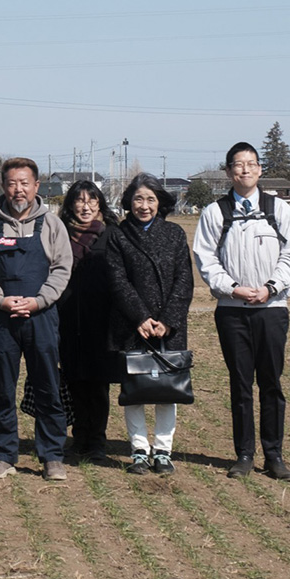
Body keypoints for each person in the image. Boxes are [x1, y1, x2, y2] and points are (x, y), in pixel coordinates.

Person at [193, 142, 290, 481]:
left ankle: (274, 456)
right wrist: (232, 288)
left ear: (259, 170)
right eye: (238, 165)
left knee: (271, 383)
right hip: (232, 310)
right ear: (228, 171)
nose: (245, 170)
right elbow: (206, 259)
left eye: (251, 164)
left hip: (272, 309)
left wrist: (271, 287)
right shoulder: (215, 212)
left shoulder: (279, 209)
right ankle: (243, 454)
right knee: (240, 383)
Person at [0, 158, 73, 481]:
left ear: (36, 186)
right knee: (1, 387)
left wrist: (38, 300)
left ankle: (52, 455)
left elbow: (61, 268)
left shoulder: (53, 224)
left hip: (41, 315)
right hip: (0, 318)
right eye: (12, 183)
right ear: (3, 186)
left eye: (25, 183)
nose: (19, 190)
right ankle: (3, 454)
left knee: (47, 386)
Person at [105, 173, 194, 476]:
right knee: (136, 389)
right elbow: (117, 281)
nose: (144, 205)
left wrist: (168, 320)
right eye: (138, 199)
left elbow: (184, 279)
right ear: (129, 201)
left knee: (167, 390)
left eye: (151, 199)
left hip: (168, 326)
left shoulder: (175, 234)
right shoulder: (118, 235)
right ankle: (139, 449)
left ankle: (163, 450)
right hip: (133, 324)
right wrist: (140, 317)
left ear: (160, 202)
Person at [57, 180, 119, 461]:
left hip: (101, 320)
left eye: (91, 200)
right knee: (73, 379)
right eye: (79, 200)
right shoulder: (59, 233)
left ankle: (97, 440)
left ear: (100, 204)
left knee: (98, 383)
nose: (85, 206)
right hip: (67, 316)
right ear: (70, 204)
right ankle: (78, 436)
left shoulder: (112, 234)